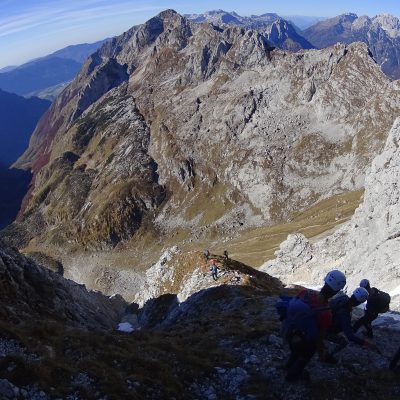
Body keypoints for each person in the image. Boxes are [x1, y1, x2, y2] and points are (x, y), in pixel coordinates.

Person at [284, 270, 346, 382]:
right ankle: (292, 377)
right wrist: (321, 353)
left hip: (290, 332)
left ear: (325, 281)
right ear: (335, 292)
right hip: (304, 342)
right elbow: (319, 338)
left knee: (294, 352)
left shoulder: (305, 293)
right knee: (303, 358)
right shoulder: (326, 313)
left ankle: (288, 366)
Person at [326, 287, 378, 358]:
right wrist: (366, 344)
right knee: (343, 342)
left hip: (321, 321)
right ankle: (327, 356)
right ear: (359, 302)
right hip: (325, 329)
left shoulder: (343, 298)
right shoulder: (345, 313)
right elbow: (350, 336)